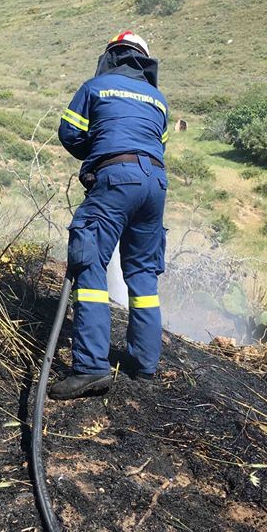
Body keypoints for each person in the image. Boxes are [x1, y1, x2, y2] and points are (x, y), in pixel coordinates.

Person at [50, 31, 169, 400]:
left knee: (89, 265)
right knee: (143, 273)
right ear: (144, 62)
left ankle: (90, 368)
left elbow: (69, 133)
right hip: (155, 183)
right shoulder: (159, 100)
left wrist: (97, 154)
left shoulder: (96, 86)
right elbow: (155, 143)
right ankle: (145, 364)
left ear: (112, 56)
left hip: (116, 178)